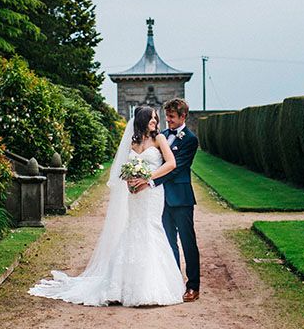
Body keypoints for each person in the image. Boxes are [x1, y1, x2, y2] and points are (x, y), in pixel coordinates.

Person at [29, 106, 185, 307]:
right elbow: (123, 168)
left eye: (156, 119)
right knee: (133, 227)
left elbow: (171, 164)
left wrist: (147, 178)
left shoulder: (159, 139)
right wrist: (130, 180)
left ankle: (152, 285)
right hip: (135, 194)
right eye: (151, 119)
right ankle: (120, 285)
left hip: (152, 193)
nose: (155, 122)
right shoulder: (133, 141)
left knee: (151, 227)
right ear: (142, 120)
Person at [129, 98, 200, 302]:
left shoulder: (190, 139)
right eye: (166, 116)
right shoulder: (162, 136)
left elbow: (176, 168)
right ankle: (174, 282)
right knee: (168, 242)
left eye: (171, 117)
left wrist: (148, 182)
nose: (167, 120)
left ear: (183, 116)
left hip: (180, 197)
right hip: (159, 199)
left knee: (188, 243)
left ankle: (193, 286)